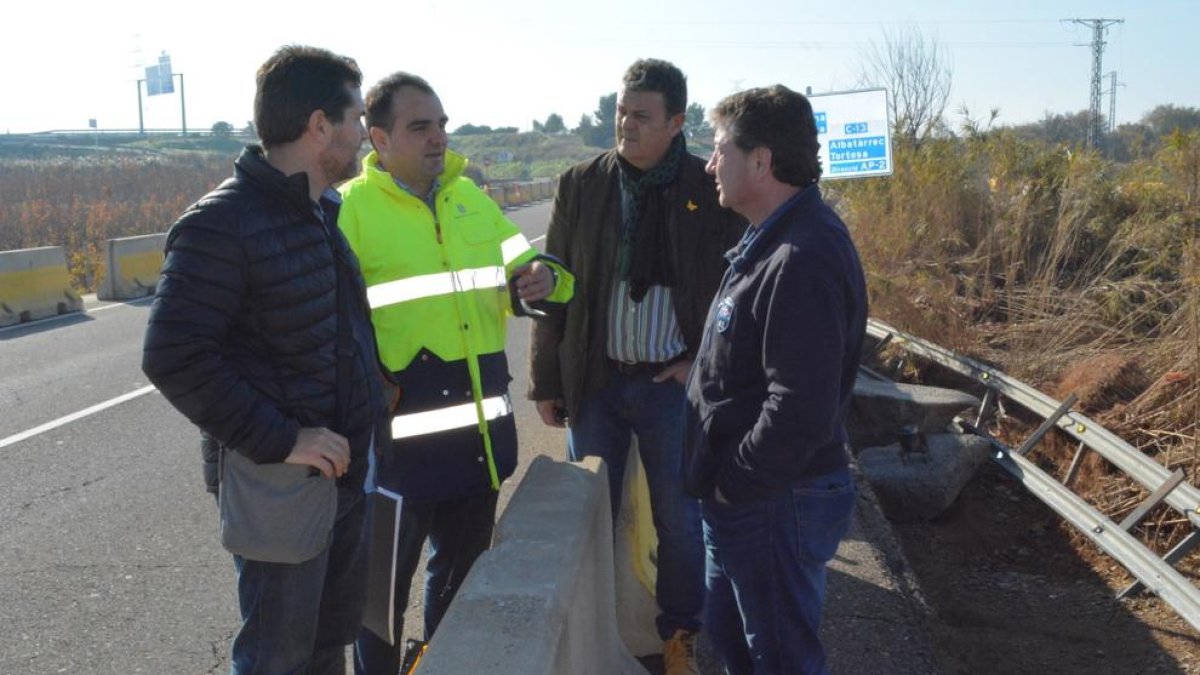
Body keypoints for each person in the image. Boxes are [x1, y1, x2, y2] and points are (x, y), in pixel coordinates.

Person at [141, 45, 389, 675]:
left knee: (326, 645)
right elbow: (172, 355)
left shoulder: (317, 211)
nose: (364, 133)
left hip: (342, 474)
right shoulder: (222, 223)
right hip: (280, 482)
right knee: (277, 658)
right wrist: (284, 439)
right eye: (356, 117)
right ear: (317, 126)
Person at [337, 72, 574, 675]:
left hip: (478, 448)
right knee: (378, 608)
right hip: (393, 456)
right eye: (421, 127)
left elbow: (544, 275)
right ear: (379, 139)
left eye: (442, 124)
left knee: (461, 591)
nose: (439, 137)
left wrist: (546, 278)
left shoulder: (472, 201)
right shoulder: (349, 214)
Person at [528, 58, 744, 675]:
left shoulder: (709, 187)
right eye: (621, 111)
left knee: (680, 520)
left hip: (670, 386)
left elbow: (735, 285)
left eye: (641, 116)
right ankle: (587, 637)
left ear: (677, 122)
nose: (625, 124)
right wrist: (548, 380)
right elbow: (555, 287)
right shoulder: (581, 184)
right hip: (596, 381)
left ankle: (679, 635)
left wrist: (700, 361)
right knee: (586, 516)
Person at [684, 85, 867, 675]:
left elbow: (799, 404)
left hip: (771, 500)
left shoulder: (801, 253)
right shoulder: (773, 239)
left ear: (760, 161)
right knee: (737, 645)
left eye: (720, 150)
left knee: (782, 658)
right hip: (751, 499)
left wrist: (737, 482)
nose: (711, 164)